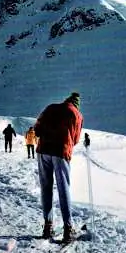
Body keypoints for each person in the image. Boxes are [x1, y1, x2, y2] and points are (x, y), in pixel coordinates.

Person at [34, 92, 83, 243]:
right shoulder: (76, 114)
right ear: (76, 104)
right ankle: (68, 229)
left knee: (46, 187)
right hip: (61, 152)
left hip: (43, 151)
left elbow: (37, 128)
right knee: (63, 188)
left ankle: (47, 227)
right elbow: (75, 139)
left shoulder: (50, 108)